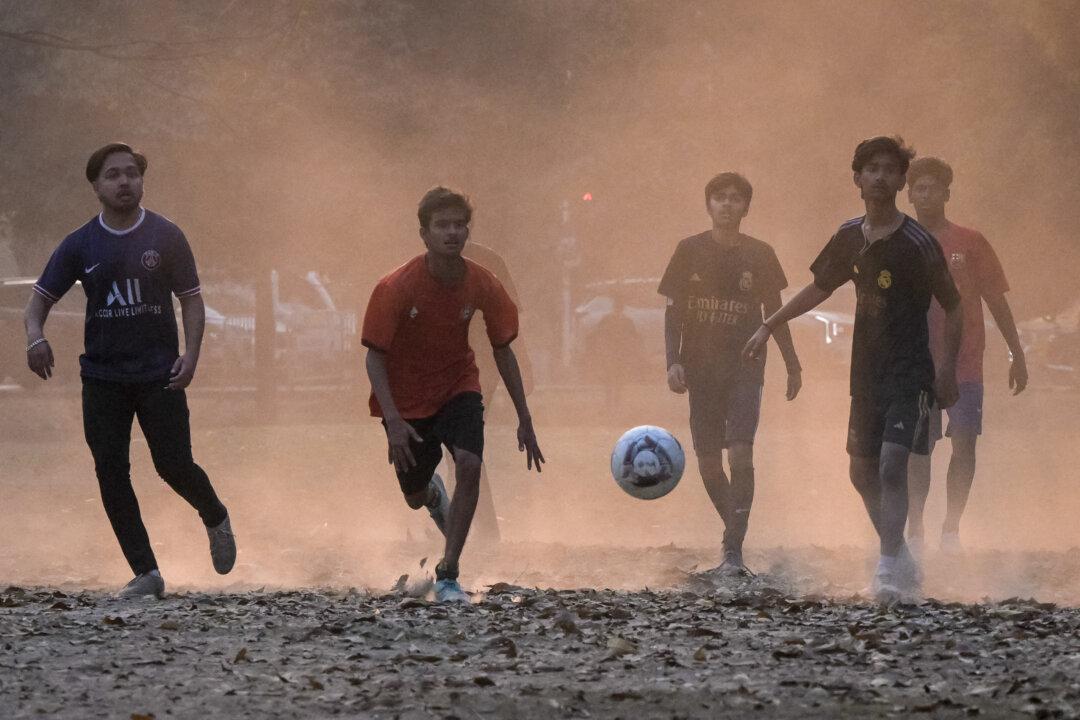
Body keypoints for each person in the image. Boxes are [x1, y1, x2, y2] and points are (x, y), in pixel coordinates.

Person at [742, 136, 963, 604]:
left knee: (890, 466)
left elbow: (955, 306)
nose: (881, 176)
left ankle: (885, 568)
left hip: (911, 373)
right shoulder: (849, 236)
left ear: (902, 181)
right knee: (860, 473)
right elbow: (818, 288)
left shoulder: (917, 242)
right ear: (857, 179)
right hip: (865, 374)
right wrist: (769, 324)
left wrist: (946, 371)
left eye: (890, 169)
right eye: (872, 169)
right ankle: (900, 552)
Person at [24, 142, 236, 599]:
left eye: (131, 174)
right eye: (113, 175)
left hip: (160, 373)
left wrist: (192, 354)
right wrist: (35, 338)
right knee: (110, 469)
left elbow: (192, 300)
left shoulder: (166, 236)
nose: (125, 182)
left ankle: (215, 514)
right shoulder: (81, 243)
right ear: (96, 187)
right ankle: (146, 573)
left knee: (172, 464)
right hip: (102, 377)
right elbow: (38, 301)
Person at [362, 187, 544, 604]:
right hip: (408, 402)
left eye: (459, 225)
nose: (453, 233)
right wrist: (392, 420)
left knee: (470, 462)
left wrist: (525, 416)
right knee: (413, 495)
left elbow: (504, 347)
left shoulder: (483, 279)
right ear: (424, 234)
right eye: (442, 225)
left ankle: (448, 573)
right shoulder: (396, 286)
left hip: (459, 385)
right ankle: (432, 496)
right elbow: (374, 358)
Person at [659, 172, 802, 576]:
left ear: (745, 207)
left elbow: (777, 314)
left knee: (740, 451)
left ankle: (732, 551)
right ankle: (735, 533)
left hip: (745, 365)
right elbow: (673, 314)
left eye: (734, 198)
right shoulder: (688, 250)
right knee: (707, 464)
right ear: (708, 205)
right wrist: (673, 360)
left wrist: (792, 362)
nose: (726, 204)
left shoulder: (760, 254)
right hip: (700, 369)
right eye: (719, 198)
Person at [905, 157, 1027, 554]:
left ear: (947, 194)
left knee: (965, 444)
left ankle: (951, 529)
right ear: (908, 194)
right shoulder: (900, 241)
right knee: (918, 447)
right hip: (916, 361)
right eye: (918, 188)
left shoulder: (970, 241)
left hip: (965, 359)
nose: (925, 195)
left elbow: (996, 299)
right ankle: (916, 528)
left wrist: (1016, 350)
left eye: (933, 188)